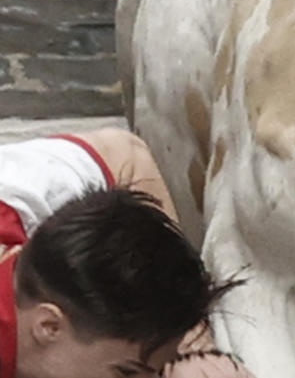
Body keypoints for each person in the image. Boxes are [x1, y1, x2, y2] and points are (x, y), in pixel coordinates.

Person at [2, 127, 248, 378]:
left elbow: (126, 154)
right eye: (125, 375)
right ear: (49, 326)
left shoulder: (16, 196)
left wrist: (192, 339)